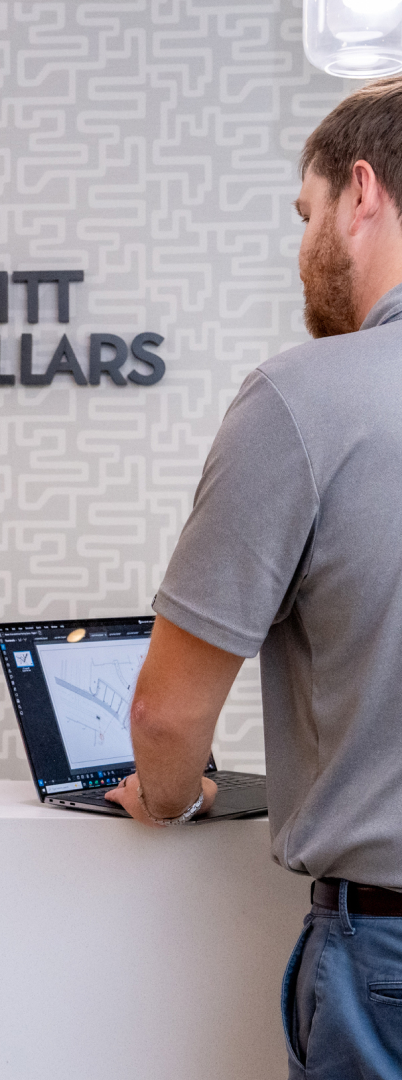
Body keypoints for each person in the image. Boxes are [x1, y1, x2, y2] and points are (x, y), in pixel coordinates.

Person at [104, 76, 402, 1077]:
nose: (303, 241)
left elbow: (166, 718)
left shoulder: (304, 394)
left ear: (362, 193)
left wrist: (168, 798)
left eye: (305, 211)